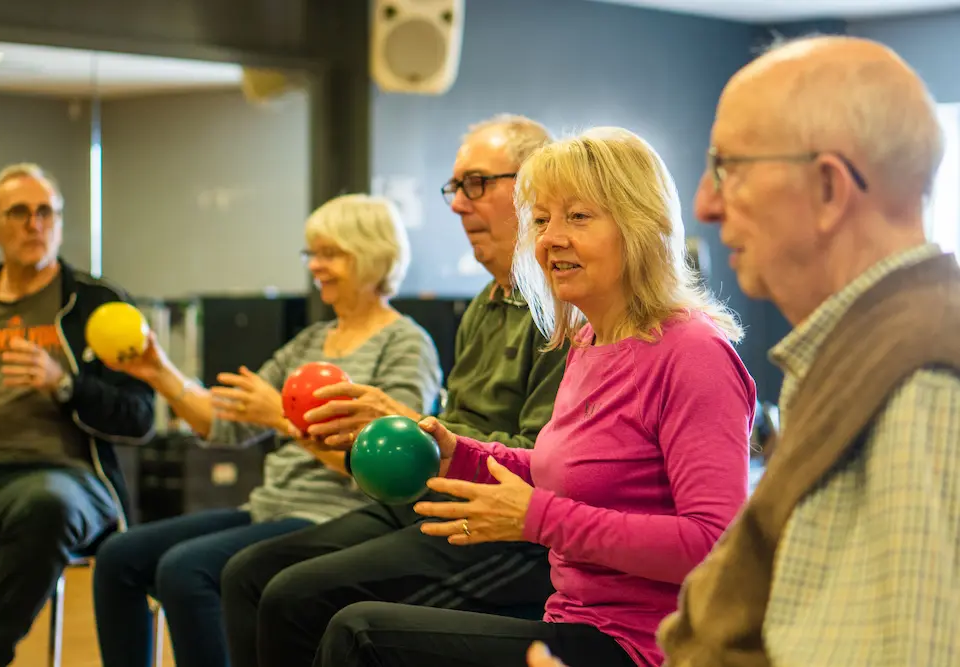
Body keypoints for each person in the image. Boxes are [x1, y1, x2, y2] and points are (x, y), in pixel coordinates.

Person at [311, 127, 757, 667]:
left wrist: (539, 519)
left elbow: (713, 546)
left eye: (578, 216)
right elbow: (562, 473)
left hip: (641, 645)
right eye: (542, 220)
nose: (550, 238)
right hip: (572, 620)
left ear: (640, 226)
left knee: (360, 633)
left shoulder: (692, 355)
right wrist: (467, 457)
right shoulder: (588, 340)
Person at [219, 114, 570, 667]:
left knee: (298, 598)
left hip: (498, 528)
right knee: (247, 575)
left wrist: (402, 420)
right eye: (455, 187)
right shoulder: (485, 303)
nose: (457, 204)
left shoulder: (561, 310)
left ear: (533, 185)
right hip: (430, 503)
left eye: (476, 184)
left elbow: (536, 460)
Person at [656, 35, 960, 666]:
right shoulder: (861, 352)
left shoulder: (923, 379)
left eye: (728, 168)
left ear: (828, 189)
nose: (705, 205)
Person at [91, 194, 442, 667]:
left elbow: (397, 470)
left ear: (371, 255)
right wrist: (159, 372)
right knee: (119, 556)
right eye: (311, 253)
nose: (315, 266)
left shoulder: (406, 344)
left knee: (185, 570)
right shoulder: (311, 340)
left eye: (329, 254)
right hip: (271, 507)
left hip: (339, 516)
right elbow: (224, 424)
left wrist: (280, 416)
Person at [0, 164, 155, 667]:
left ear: (60, 223)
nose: (35, 224)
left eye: (46, 212)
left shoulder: (97, 306)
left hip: (59, 478)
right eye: (19, 212)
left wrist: (63, 384)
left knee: (47, 505)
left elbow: (139, 416)